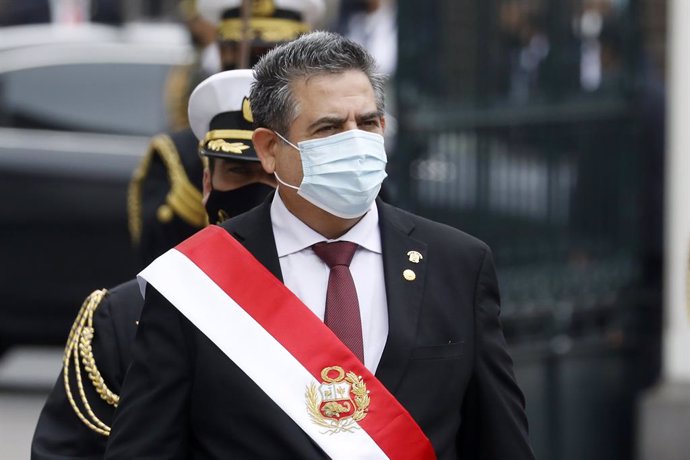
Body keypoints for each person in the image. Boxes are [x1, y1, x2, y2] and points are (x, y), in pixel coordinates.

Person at [104, 31, 535, 459]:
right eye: (329, 128)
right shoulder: (196, 280)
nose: (356, 142)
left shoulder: (457, 263)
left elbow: (499, 442)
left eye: (367, 123)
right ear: (269, 149)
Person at [31, 69, 276, 459]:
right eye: (239, 172)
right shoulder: (125, 315)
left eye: (274, 174)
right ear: (207, 185)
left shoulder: (351, 297)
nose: (259, 192)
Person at [128, 0, 324, 266]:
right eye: (249, 51)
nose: (258, 66)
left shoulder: (329, 144)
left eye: (272, 53)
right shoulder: (179, 155)